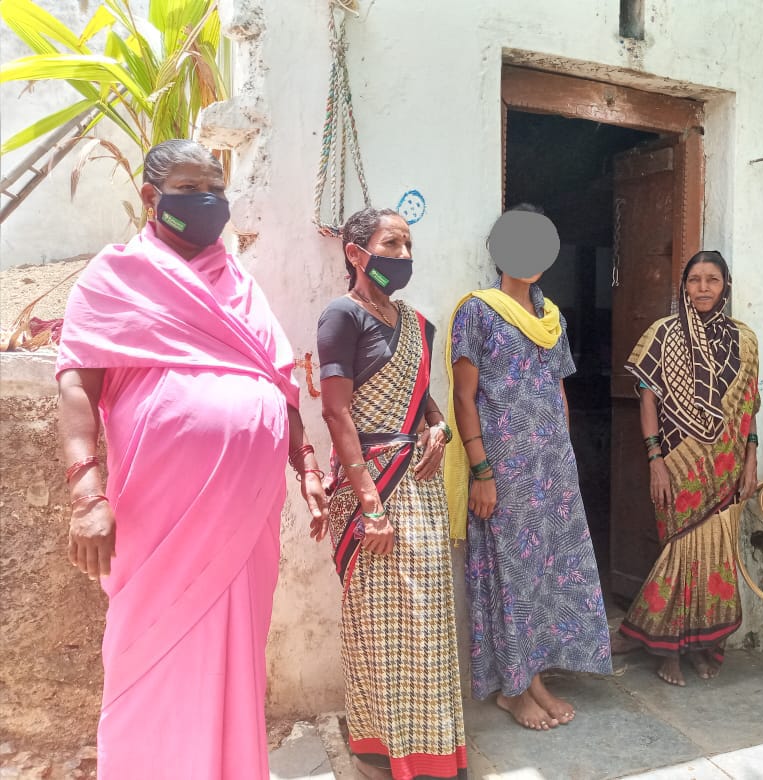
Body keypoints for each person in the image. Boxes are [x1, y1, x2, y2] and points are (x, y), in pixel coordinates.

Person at [56, 139, 328, 778]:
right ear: (152, 197)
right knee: (149, 655)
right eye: (189, 189)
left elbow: (277, 381)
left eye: (216, 188)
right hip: (159, 520)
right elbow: (77, 383)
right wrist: (86, 495)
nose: (208, 202)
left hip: (245, 522)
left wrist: (307, 464)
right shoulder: (114, 278)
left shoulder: (239, 283)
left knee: (234, 657)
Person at [316, 207, 467, 780]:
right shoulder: (343, 316)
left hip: (421, 487)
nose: (402, 256)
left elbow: (428, 402)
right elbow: (335, 412)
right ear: (358, 253)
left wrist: (440, 428)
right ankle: (384, 746)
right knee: (380, 623)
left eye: (408, 245)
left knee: (426, 617)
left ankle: (432, 748)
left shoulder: (419, 326)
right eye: (391, 244)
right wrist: (371, 507)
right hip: (370, 491)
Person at [446, 217, 612, 732]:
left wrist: (566, 455)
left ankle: (534, 675)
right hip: (503, 467)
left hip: (550, 467)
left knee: (545, 571)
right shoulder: (476, 312)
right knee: (510, 573)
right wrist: (481, 471)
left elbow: (557, 387)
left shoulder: (551, 316)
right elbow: (462, 395)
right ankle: (513, 689)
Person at [610, 250, 760, 688]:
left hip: (728, 465)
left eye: (712, 280)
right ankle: (666, 649)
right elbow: (648, 399)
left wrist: (750, 460)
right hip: (678, 463)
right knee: (678, 553)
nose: (703, 288)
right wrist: (655, 459)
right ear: (684, 286)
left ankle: (700, 647)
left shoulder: (746, 340)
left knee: (714, 557)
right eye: (695, 280)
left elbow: (749, 407)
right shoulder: (662, 334)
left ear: (725, 286)